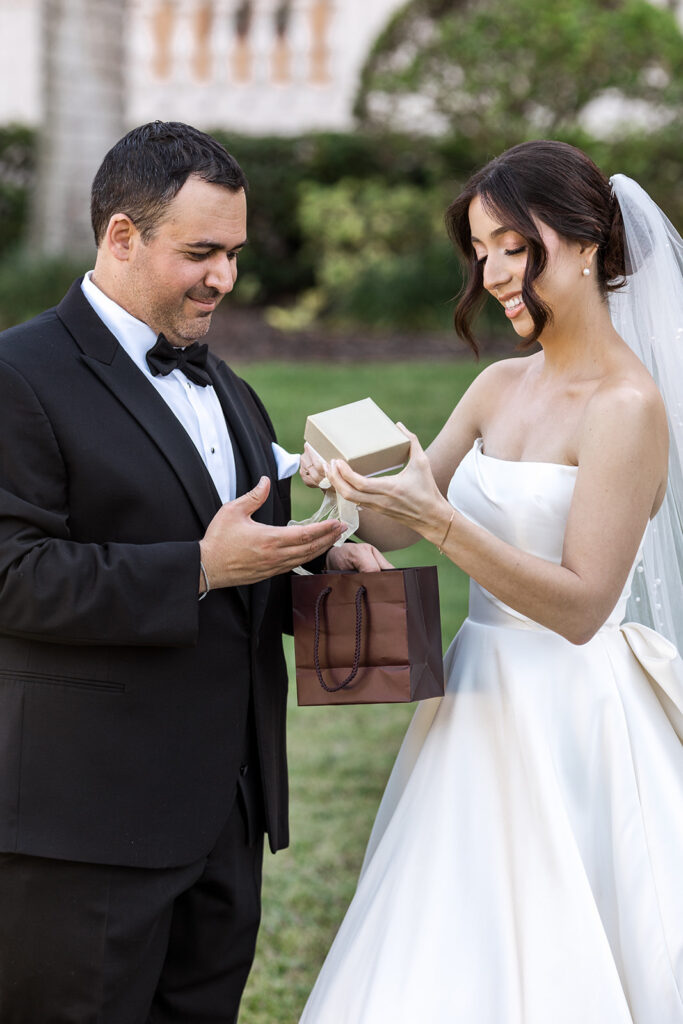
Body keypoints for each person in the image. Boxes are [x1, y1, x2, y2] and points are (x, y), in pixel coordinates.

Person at [0, 120, 387, 1024]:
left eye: (235, 254)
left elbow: (247, 564)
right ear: (121, 236)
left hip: (227, 815)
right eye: (202, 252)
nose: (225, 277)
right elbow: (14, 575)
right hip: (83, 831)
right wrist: (199, 570)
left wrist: (323, 565)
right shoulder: (16, 375)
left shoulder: (232, 389)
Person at [298, 140, 683, 1022]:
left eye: (515, 246)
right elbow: (405, 515)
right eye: (481, 252)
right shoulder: (496, 386)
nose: (497, 274)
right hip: (473, 699)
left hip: (569, 712)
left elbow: (583, 605)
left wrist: (441, 523)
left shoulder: (627, 408)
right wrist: (356, 485)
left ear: (587, 244)